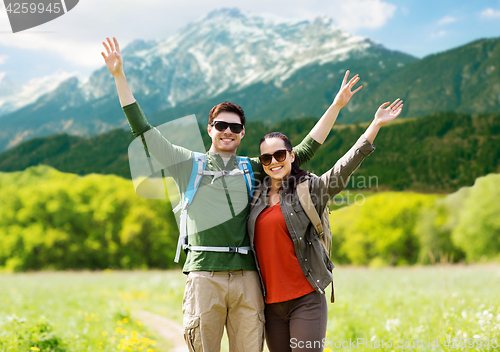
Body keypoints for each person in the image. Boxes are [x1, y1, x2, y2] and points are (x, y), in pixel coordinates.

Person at [101, 36, 363, 351]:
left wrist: (335, 106)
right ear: (210, 129)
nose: (228, 131)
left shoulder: (255, 166)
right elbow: (142, 130)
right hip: (204, 275)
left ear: (242, 134)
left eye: (235, 127)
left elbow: (303, 150)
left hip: (248, 278)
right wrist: (119, 77)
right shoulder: (187, 164)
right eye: (221, 125)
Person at [247, 99, 403, 352]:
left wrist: (375, 125)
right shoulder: (255, 196)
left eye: (279, 154)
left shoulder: (310, 188)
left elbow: (343, 168)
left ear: (291, 155)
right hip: (269, 304)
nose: (274, 161)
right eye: (266, 157)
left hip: (305, 299)